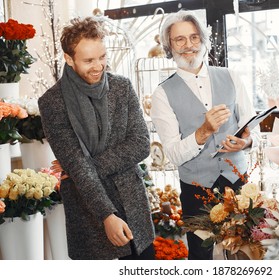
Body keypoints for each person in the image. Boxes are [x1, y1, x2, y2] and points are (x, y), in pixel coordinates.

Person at [38, 16, 155, 260]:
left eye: (102, 57)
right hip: (88, 210)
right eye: (89, 60)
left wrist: (85, 165)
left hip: (132, 206)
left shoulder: (122, 87)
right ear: (69, 59)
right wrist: (106, 215)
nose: (98, 66)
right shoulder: (52, 102)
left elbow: (141, 144)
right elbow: (75, 163)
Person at [150, 10, 261, 260]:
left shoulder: (231, 76)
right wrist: (203, 132)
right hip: (197, 191)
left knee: (247, 253)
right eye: (180, 39)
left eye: (194, 37)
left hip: (239, 185)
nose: (188, 45)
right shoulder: (162, 93)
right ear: (169, 45)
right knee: (202, 259)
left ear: (203, 40)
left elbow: (253, 128)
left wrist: (247, 142)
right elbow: (173, 154)